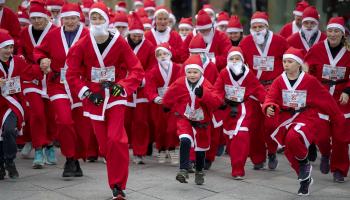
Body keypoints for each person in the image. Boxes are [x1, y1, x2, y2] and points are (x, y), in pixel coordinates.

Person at [66, 2, 144, 199]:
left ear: (107, 20)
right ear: (89, 20)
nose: (97, 21)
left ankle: (117, 186)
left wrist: (123, 86)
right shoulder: (81, 44)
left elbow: (136, 69)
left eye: (100, 17)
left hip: (116, 94)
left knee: (116, 139)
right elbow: (72, 74)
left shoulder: (119, 42)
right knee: (105, 146)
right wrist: (85, 92)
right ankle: (116, 167)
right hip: (94, 98)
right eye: (93, 18)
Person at [263, 47, 346, 196]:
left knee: (293, 137)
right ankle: (304, 180)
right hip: (286, 118)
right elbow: (271, 97)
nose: (286, 64)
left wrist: (338, 117)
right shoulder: (279, 80)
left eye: (289, 61)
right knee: (289, 150)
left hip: (306, 117)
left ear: (298, 64)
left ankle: (303, 162)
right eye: (284, 61)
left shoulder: (309, 80)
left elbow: (326, 100)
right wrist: (269, 106)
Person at [33, 2, 91, 177]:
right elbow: (38, 51)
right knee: (64, 121)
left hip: (79, 85)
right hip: (58, 83)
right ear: (61, 19)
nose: (70, 21)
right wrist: (42, 60)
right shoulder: (53, 35)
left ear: (79, 18)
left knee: (81, 127)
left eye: (73, 18)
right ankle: (69, 158)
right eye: (66, 18)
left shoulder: (88, 35)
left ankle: (77, 158)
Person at [239, 11, 289, 170]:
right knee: (254, 126)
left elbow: (290, 58)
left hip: (273, 87)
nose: (258, 29)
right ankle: (257, 158)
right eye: (254, 26)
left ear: (266, 27)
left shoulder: (279, 41)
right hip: (254, 88)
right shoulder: (246, 42)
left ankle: (272, 151)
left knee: (270, 123)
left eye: (261, 26)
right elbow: (237, 61)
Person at [162, 54, 221, 185]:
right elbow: (171, 92)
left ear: (200, 72)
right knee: (185, 139)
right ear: (185, 72)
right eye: (189, 72)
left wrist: (204, 94)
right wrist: (166, 104)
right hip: (185, 117)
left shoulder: (206, 84)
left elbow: (216, 102)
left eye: (195, 72)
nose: (192, 75)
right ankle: (183, 169)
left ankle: (199, 171)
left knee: (200, 149)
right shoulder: (180, 82)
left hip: (202, 122)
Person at [305, 17, 350, 183]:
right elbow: (308, 70)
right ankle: (325, 153)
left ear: (342, 33)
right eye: (330, 30)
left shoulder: (348, 50)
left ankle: (339, 169)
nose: (332, 34)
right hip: (322, 96)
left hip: (341, 99)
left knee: (341, 138)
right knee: (321, 135)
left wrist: (347, 91)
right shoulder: (317, 49)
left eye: (336, 31)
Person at [214, 46, 266, 180]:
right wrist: (216, 102)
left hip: (244, 108)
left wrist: (268, 102)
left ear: (242, 60)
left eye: (237, 58)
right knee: (230, 140)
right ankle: (235, 159)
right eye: (232, 58)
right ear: (228, 60)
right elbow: (217, 90)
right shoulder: (224, 73)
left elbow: (259, 89)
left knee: (242, 135)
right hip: (228, 109)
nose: (235, 61)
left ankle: (238, 169)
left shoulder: (248, 74)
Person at [18, 1, 57, 169]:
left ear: (46, 17)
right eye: (33, 18)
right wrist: (32, 68)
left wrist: (51, 65)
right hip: (31, 78)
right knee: (37, 113)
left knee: (50, 114)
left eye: (39, 18)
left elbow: (62, 53)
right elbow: (20, 54)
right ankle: (39, 147)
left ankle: (49, 144)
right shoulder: (24, 32)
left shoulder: (55, 31)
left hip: (51, 78)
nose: (36, 21)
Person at [125, 12, 157, 164]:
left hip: (142, 89)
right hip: (125, 88)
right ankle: (123, 148)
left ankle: (139, 151)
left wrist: (144, 80)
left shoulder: (149, 46)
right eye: (134, 36)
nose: (136, 38)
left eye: (139, 36)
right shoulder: (122, 43)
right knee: (124, 120)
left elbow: (152, 67)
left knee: (141, 121)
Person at [0, 29, 31, 180]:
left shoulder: (18, 60)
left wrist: (42, 68)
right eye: (5, 47)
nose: (9, 50)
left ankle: (10, 160)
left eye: (11, 47)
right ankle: (0, 164)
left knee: (9, 131)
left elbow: (28, 72)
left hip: (12, 103)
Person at [145, 43, 181, 164]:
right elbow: (149, 88)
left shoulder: (178, 68)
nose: (162, 56)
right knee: (160, 128)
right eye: (159, 54)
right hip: (158, 105)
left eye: (165, 53)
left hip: (173, 104)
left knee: (172, 128)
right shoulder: (152, 71)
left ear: (170, 54)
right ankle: (161, 149)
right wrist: (155, 97)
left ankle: (172, 149)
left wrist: (176, 96)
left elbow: (181, 84)